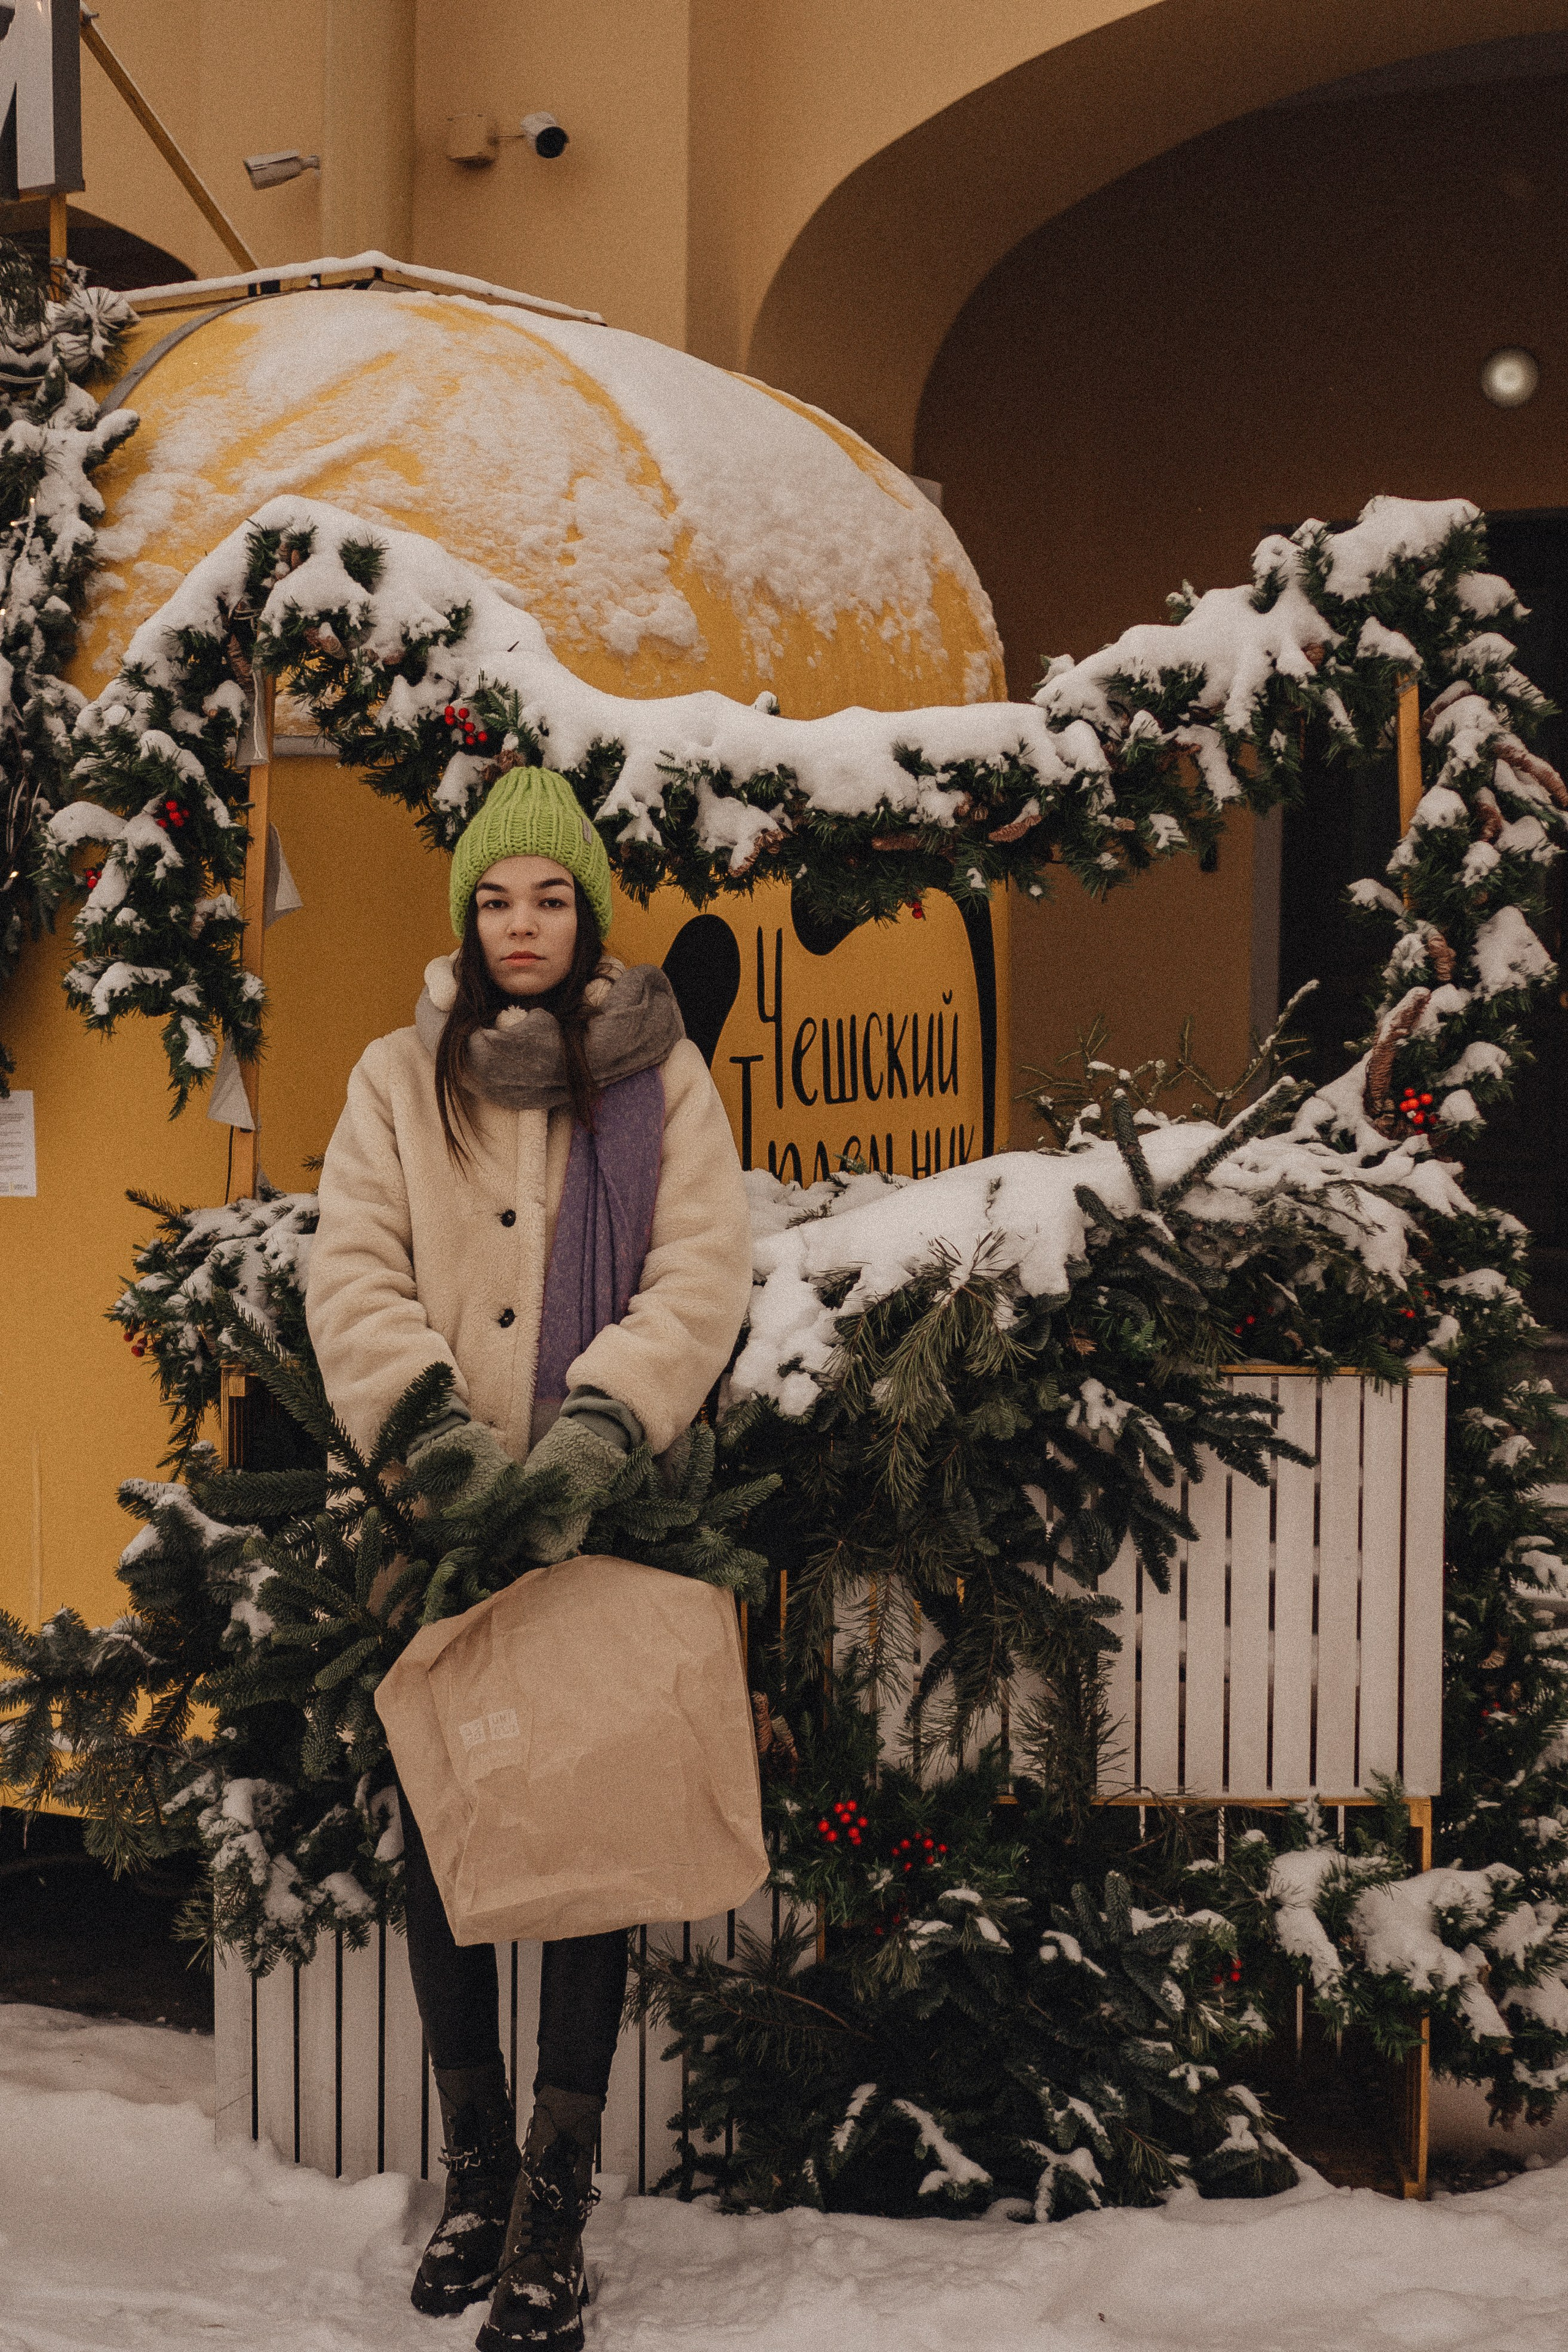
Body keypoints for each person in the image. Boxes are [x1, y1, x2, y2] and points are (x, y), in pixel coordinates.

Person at [306, 766, 754, 2350]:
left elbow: (703, 1266)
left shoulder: (661, 1078)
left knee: (589, 1844)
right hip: (432, 1523)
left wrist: (598, 1429)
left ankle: (555, 2203)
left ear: (588, 915)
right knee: (451, 1830)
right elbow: (352, 1266)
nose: (521, 924)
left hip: (601, 1519)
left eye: (549, 898)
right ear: (466, 917)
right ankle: (477, 2173)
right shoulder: (394, 1079)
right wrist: (433, 1432)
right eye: (496, 899)